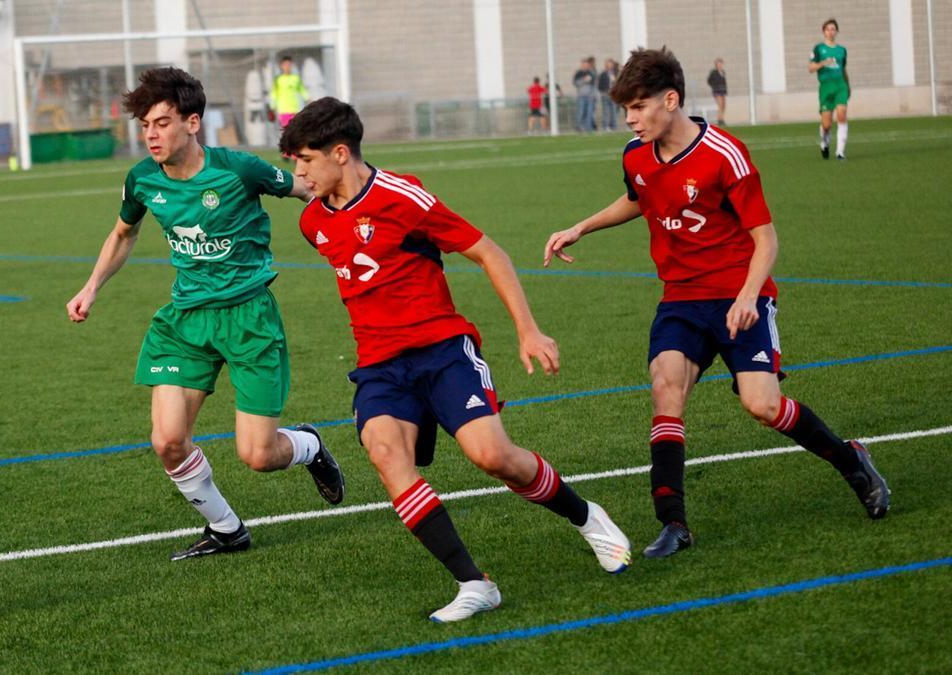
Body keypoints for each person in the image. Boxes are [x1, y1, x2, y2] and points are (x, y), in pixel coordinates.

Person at [280, 97, 631, 623]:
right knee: (383, 452)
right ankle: (474, 583)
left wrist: (528, 330)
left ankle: (588, 517)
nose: (299, 173)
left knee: (493, 456)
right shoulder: (313, 222)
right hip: (380, 365)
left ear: (339, 152)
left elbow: (490, 253)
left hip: (443, 351)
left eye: (304, 160)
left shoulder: (405, 197)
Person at [543, 47, 889, 559]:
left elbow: (766, 238)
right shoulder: (635, 154)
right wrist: (580, 227)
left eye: (639, 107)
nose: (631, 119)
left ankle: (851, 459)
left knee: (762, 404)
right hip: (681, 300)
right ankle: (673, 523)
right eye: (626, 110)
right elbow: (639, 198)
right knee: (666, 390)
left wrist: (749, 295)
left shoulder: (724, 154)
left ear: (671, 99)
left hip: (738, 296)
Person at [65, 67, 345, 562]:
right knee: (168, 441)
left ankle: (308, 446)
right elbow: (123, 234)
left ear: (192, 123)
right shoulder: (143, 180)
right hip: (187, 321)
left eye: (162, 122)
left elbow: (312, 190)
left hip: (249, 319)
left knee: (258, 455)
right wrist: (91, 287)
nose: (151, 135)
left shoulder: (238, 170)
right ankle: (227, 528)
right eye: (145, 125)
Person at [809, 18, 850, 160]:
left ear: (836, 31)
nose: (830, 32)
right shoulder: (818, 49)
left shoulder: (842, 50)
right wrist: (823, 63)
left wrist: (848, 85)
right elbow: (811, 68)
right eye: (828, 29)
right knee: (826, 125)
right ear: (824, 32)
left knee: (842, 115)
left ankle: (840, 152)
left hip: (840, 85)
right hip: (826, 87)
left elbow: (843, 69)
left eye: (833, 29)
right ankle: (824, 142)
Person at [269, 56, 309, 130]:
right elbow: (274, 94)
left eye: (289, 65)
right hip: (284, 110)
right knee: (287, 131)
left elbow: (302, 90)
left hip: (296, 109)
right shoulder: (278, 80)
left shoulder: (296, 78)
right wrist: (272, 107)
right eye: (285, 65)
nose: (287, 67)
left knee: (297, 130)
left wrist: (308, 100)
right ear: (281, 66)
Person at [572, 57, 598, 132]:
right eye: (584, 64)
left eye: (587, 65)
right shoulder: (578, 73)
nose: (586, 66)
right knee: (581, 112)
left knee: (589, 113)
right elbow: (575, 83)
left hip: (590, 96)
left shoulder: (592, 73)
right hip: (581, 96)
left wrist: (594, 95)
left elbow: (594, 84)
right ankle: (580, 127)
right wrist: (584, 80)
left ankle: (588, 128)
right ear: (582, 65)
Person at [598, 59, 620, 131]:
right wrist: (605, 90)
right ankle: (606, 126)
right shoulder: (603, 74)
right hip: (605, 94)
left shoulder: (615, 73)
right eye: (608, 64)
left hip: (613, 94)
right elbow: (599, 85)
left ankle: (614, 126)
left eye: (611, 64)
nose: (609, 66)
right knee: (606, 111)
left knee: (614, 111)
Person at [707, 58, 727, 126]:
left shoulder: (723, 72)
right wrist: (714, 86)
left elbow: (724, 82)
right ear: (716, 65)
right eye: (719, 64)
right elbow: (709, 80)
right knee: (720, 104)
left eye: (721, 64)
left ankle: (721, 118)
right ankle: (720, 120)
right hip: (717, 91)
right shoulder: (713, 72)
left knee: (724, 105)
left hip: (723, 90)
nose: (720, 65)